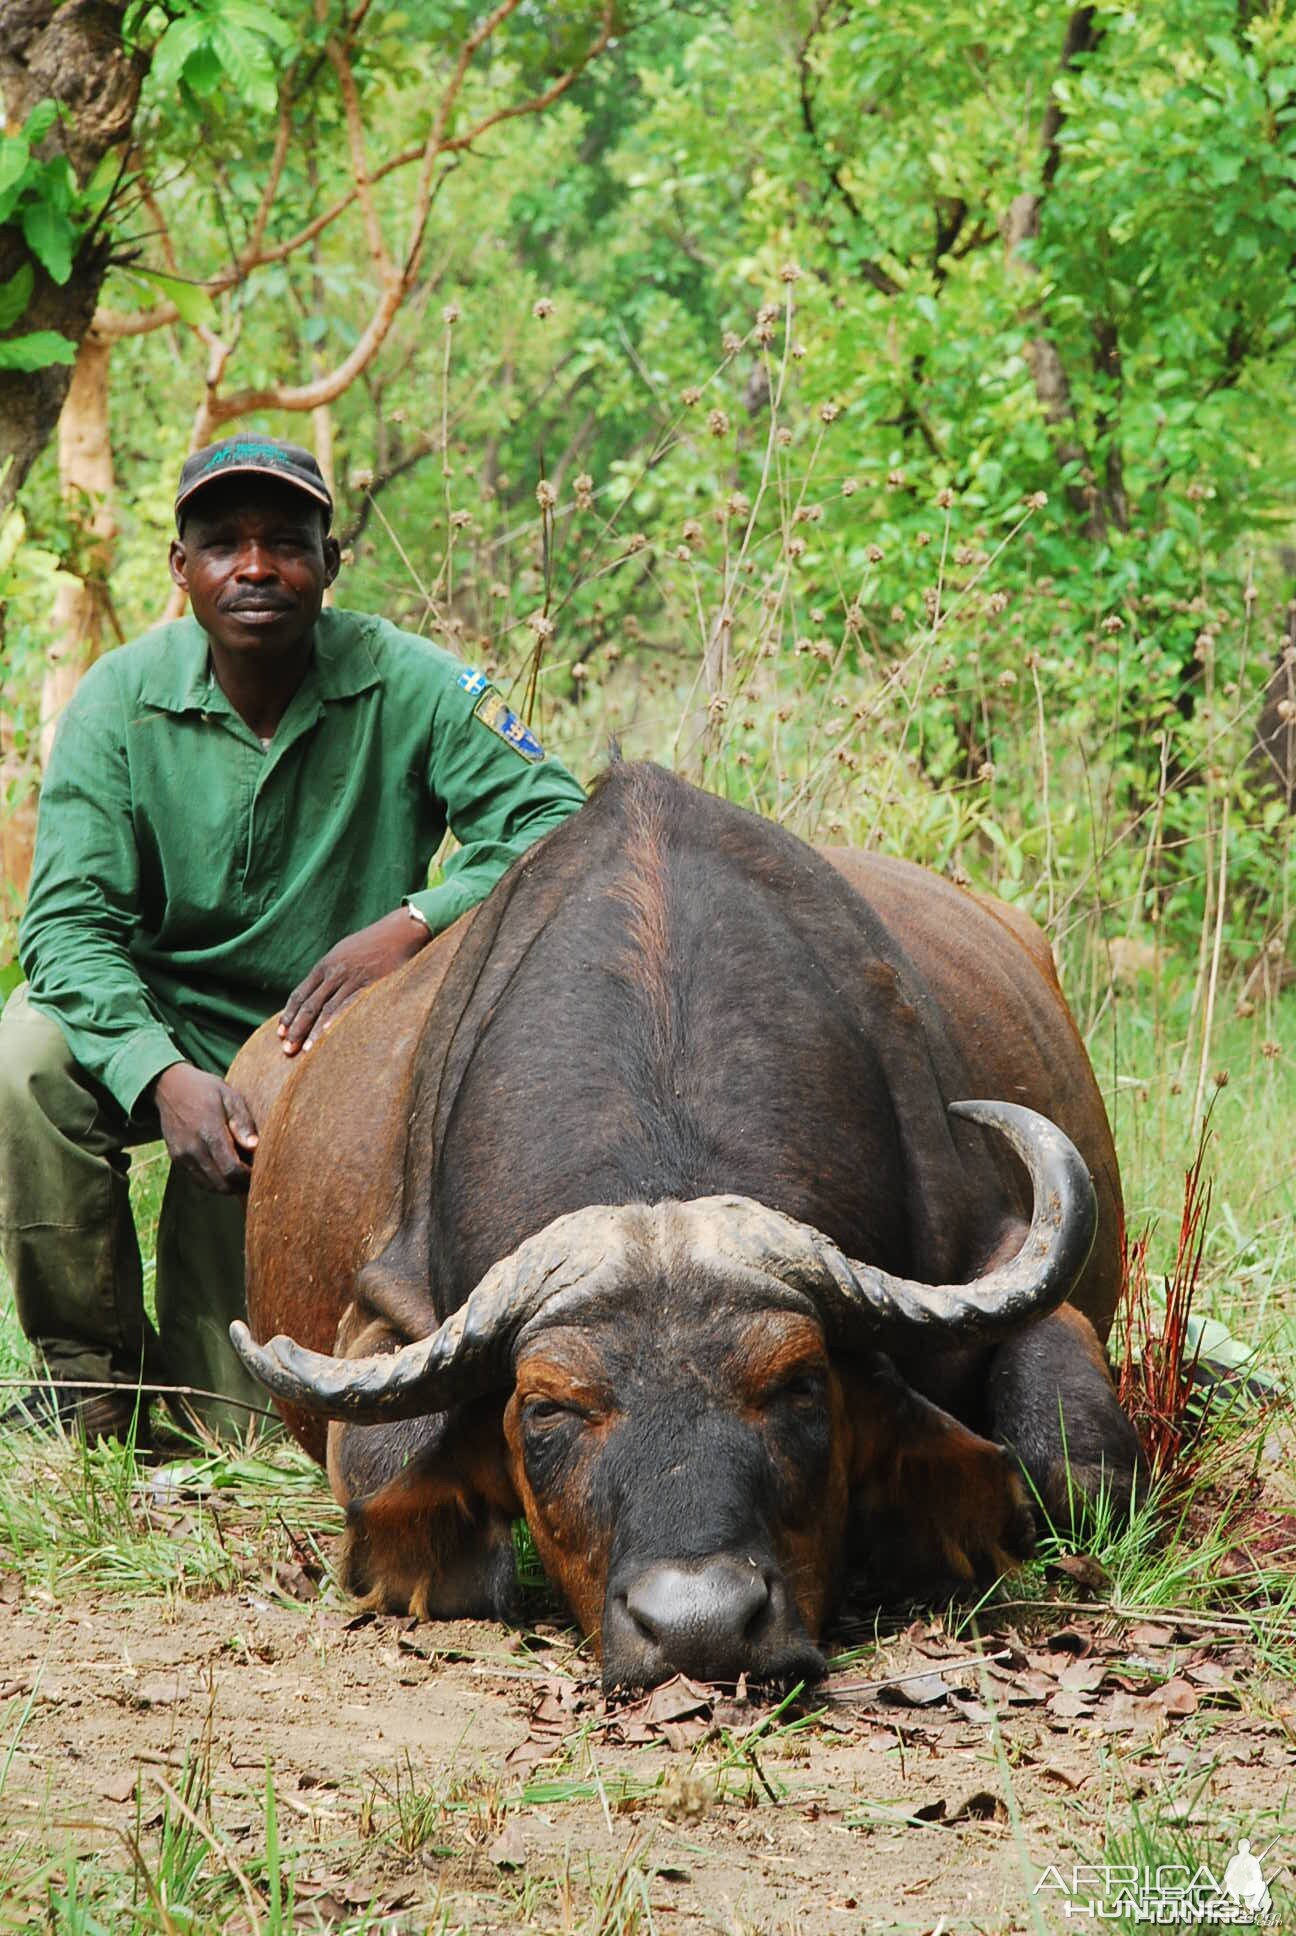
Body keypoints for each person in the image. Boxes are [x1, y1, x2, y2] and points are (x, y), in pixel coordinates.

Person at [0, 434, 587, 1439]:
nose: (258, 566)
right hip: (164, 1014)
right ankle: (89, 1381)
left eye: (287, 540)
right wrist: (155, 1073)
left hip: (330, 1033)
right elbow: (66, 927)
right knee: (25, 1060)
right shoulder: (116, 701)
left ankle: (196, 1396)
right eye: (224, 543)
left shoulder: (411, 683)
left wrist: (414, 923)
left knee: (234, 1432)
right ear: (182, 568)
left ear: (330, 560)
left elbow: (563, 825)